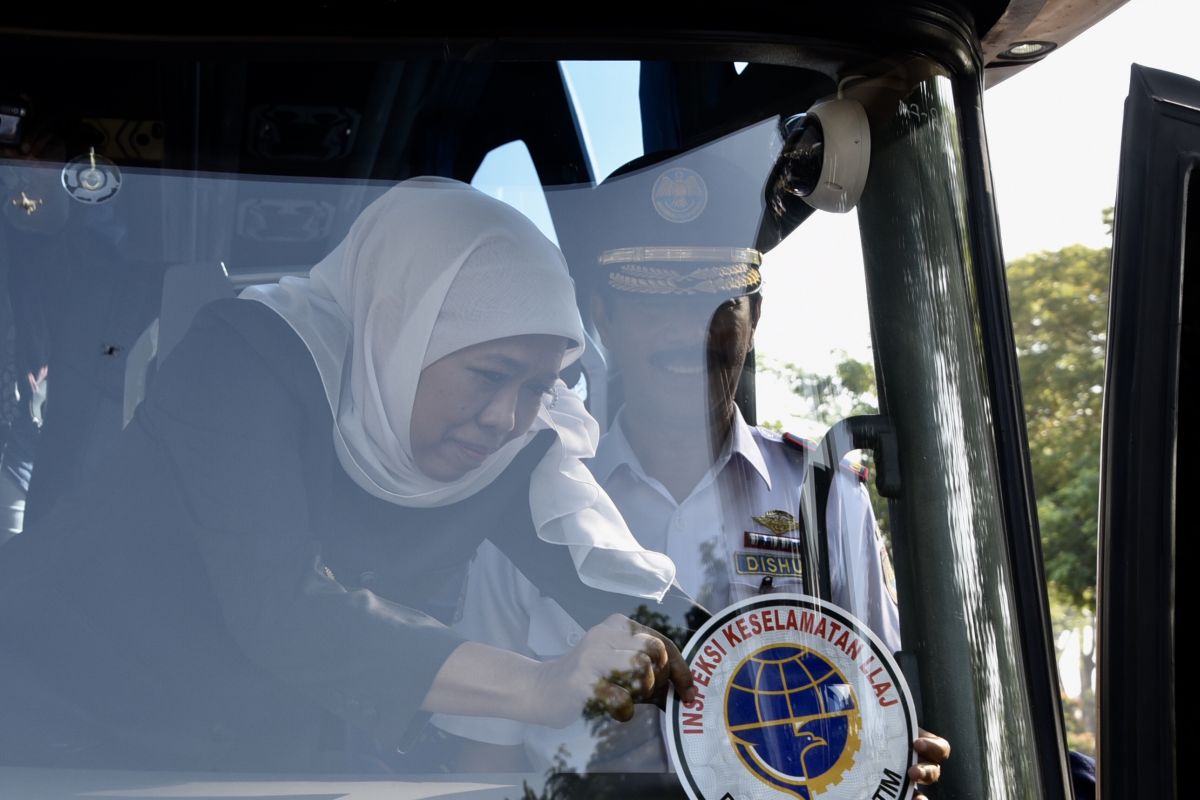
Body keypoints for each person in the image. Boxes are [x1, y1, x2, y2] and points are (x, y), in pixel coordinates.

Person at [0, 177, 696, 773]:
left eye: (539, 387)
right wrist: (540, 684)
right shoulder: (243, 358)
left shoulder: (509, 443)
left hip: (259, 760)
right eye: (490, 375)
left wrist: (759, 667)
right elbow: (284, 608)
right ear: (403, 328)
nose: (507, 420)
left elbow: (637, 607)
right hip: (56, 731)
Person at [441, 127, 949, 793]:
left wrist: (897, 757)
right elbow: (487, 761)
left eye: (717, 304)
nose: (691, 333)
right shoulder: (530, 502)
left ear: (754, 316)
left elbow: (873, 712)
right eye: (657, 303)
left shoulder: (824, 501)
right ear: (604, 317)